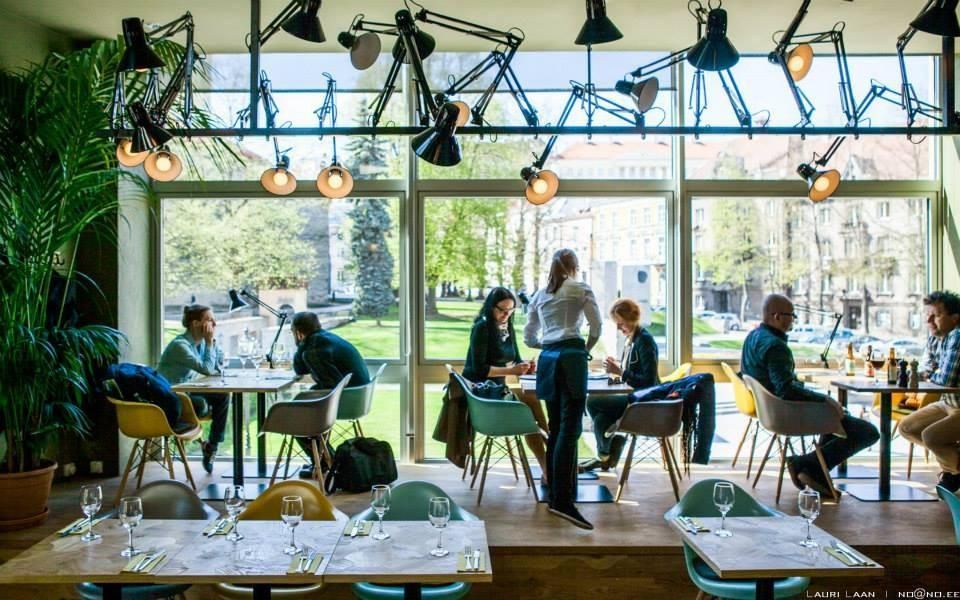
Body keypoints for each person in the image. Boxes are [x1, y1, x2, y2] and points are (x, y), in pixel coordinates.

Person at [740, 293, 879, 497]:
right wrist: (825, 399)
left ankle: (815, 471)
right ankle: (806, 463)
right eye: (791, 315)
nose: (793, 319)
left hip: (769, 411)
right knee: (868, 432)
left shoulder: (753, 337)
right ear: (777, 316)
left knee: (834, 415)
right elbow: (786, 390)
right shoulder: (776, 346)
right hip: (784, 414)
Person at [524, 249, 602, 530]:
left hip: (548, 360)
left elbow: (529, 337)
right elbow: (596, 327)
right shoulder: (580, 288)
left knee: (556, 428)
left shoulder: (539, 295)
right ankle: (563, 501)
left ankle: (556, 496)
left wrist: (547, 344)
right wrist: (585, 349)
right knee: (570, 430)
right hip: (572, 359)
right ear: (575, 266)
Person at [462, 287, 546, 477]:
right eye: (502, 310)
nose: (506, 315)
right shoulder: (482, 328)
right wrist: (512, 371)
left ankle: (549, 462)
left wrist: (525, 367)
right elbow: (479, 369)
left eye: (510, 310)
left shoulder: (507, 327)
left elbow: (516, 359)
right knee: (530, 406)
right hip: (483, 395)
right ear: (491, 307)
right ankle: (550, 458)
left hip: (497, 390)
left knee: (532, 403)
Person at [581, 298, 660, 472]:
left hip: (643, 401)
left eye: (621, 323)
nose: (618, 328)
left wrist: (620, 372)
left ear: (632, 319)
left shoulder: (644, 341)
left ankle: (608, 451)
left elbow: (648, 381)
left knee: (592, 401)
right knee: (602, 419)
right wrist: (618, 370)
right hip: (634, 396)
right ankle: (605, 456)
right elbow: (633, 373)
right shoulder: (632, 339)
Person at [291, 311, 370, 477]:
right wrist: (302, 345)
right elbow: (302, 369)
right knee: (303, 409)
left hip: (346, 400)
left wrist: (300, 344)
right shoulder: (324, 339)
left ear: (298, 332)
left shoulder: (314, 349)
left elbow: (330, 383)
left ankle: (325, 463)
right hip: (356, 398)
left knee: (295, 417)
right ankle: (326, 461)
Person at [898, 290, 960, 493]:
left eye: (936, 315)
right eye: (928, 315)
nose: (929, 320)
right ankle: (953, 470)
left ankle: (952, 473)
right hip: (948, 402)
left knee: (931, 436)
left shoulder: (958, 335)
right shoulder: (937, 337)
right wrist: (930, 374)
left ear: (955, 318)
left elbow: (946, 380)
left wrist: (931, 375)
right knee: (907, 427)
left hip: (958, 405)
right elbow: (926, 370)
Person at [158, 304, 229, 475]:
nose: (214, 324)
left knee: (223, 395)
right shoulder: (180, 346)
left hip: (186, 391)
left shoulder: (201, 344)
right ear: (195, 323)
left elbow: (218, 364)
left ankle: (212, 446)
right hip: (170, 397)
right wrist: (210, 342)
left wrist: (211, 344)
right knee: (201, 405)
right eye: (209, 320)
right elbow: (208, 369)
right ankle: (207, 445)